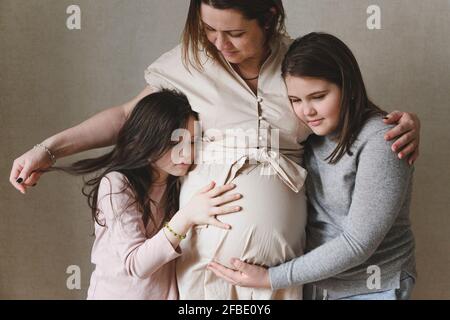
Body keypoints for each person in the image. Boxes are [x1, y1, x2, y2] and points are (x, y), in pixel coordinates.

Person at [10, 1, 420, 300]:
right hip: (202, 257)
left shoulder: (298, 61)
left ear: (270, 17)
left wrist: (397, 124)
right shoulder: (189, 62)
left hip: (284, 263)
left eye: (236, 33)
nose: (219, 43)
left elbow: (341, 111)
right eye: (209, 29)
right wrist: (49, 148)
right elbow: (126, 118)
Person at [207, 32, 417, 300]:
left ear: (348, 86)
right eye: (296, 100)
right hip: (318, 284)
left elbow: (358, 244)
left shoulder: (381, 141)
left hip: (373, 286)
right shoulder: (309, 137)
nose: (307, 111)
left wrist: (271, 278)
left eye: (318, 96)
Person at [51, 90, 243, 299]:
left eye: (192, 142)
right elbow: (137, 265)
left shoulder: (178, 182)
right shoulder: (117, 184)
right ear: (148, 140)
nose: (187, 154)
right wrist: (186, 216)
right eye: (175, 143)